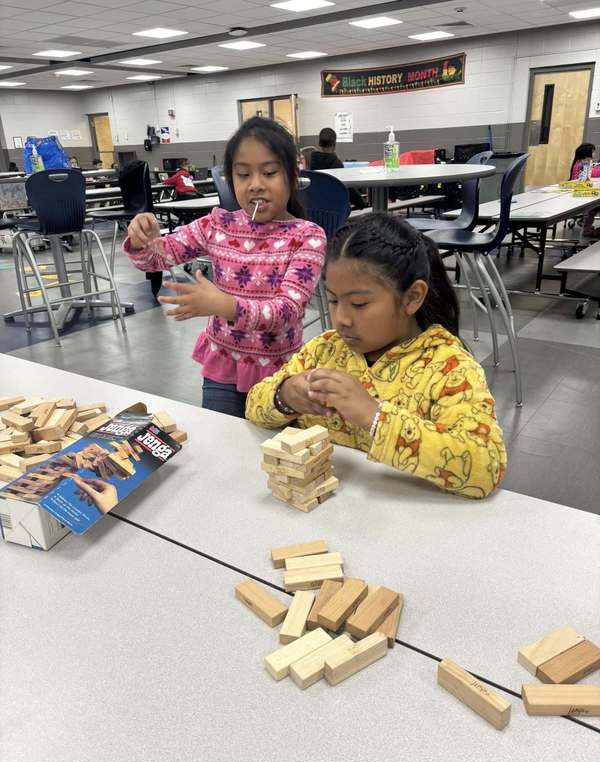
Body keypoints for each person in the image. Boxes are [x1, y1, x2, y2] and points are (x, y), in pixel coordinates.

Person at [246, 214, 507, 499]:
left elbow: (486, 466)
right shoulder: (324, 350)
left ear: (411, 297)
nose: (341, 319)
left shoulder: (448, 368)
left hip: (401, 524)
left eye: (359, 304)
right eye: (333, 300)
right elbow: (254, 406)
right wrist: (285, 396)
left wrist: (374, 417)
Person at [125, 116, 327, 419]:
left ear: (291, 175)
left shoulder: (307, 236)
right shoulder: (218, 225)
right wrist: (143, 236)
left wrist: (227, 306)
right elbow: (159, 258)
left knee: (275, 456)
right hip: (223, 366)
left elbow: (287, 311)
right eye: (243, 174)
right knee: (223, 445)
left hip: (279, 375)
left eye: (269, 172)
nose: (256, 185)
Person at [310, 128, 366, 210]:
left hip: (317, 208)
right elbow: (348, 189)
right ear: (334, 144)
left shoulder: (313, 160)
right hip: (336, 210)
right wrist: (362, 203)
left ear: (319, 144)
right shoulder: (336, 163)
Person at [569, 142, 600, 237]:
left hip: (583, 192)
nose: (595, 154)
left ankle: (586, 226)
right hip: (581, 194)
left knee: (595, 206)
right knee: (595, 207)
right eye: (593, 152)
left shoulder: (582, 163)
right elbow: (591, 175)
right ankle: (586, 229)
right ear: (587, 153)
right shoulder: (582, 165)